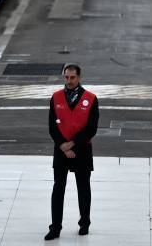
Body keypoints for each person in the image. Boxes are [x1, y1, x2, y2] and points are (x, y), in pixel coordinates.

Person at [45, 64, 99, 240]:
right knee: (58, 188)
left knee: (83, 188)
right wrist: (63, 145)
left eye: (72, 77)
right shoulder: (56, 97)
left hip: (82, 150)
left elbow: (91, 129)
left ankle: (84, 223)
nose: (69, 81)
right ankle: (55, 227)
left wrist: (73, 144)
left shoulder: (91, 99)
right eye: (66, 77)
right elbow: (52, 127)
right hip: (61, 151)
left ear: (79, 77)